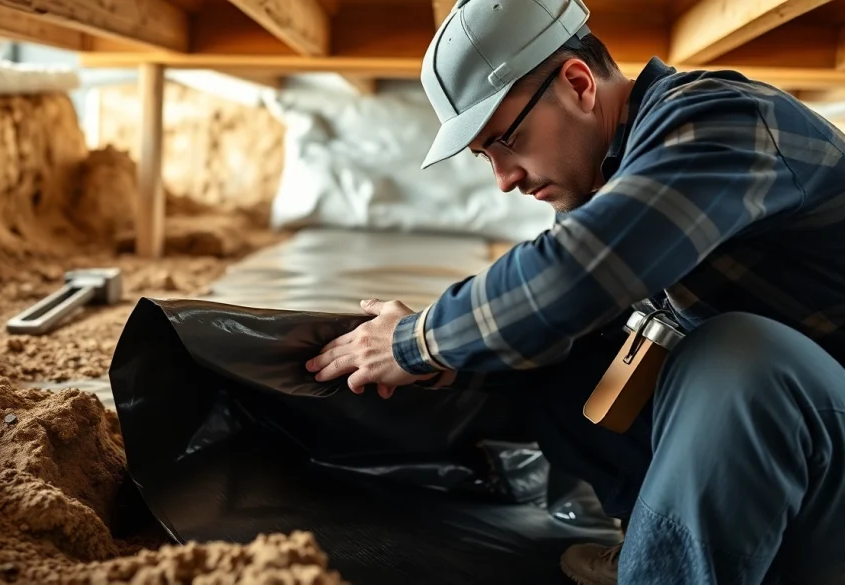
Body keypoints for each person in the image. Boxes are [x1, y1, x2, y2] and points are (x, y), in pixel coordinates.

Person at [304, 0, 845, 583]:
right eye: (486, 157)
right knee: (552, 354)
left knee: (740, 357)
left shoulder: (719, 120)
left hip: (823, 457)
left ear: (578, 83)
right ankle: (656, 540)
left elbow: (580, 272)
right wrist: (451, 366)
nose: (504, 178)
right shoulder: (610, 179)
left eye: (506, 140)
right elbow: (557, 316)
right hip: (798, 458)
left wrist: (417, 340)